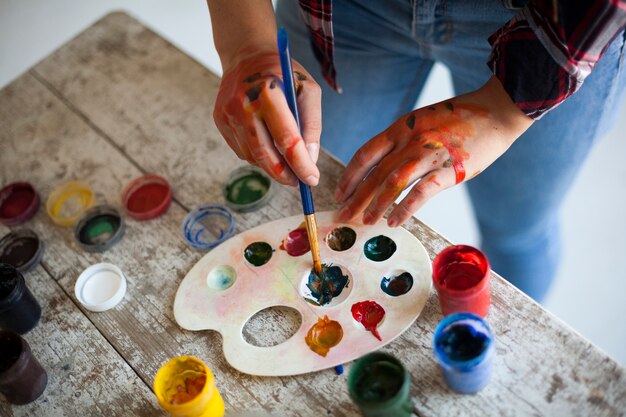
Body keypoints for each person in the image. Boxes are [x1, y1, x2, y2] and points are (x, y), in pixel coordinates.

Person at [207, 0, 626, 302]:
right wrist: (247, 44)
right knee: (324, 182)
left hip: (550, 27)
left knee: (516, 228)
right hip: (345, 13)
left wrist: (504, 111)